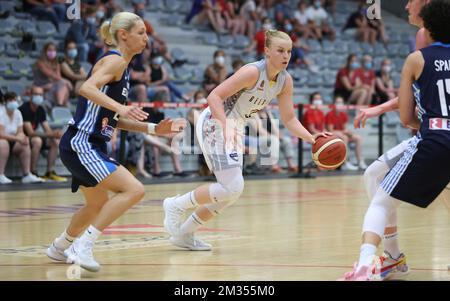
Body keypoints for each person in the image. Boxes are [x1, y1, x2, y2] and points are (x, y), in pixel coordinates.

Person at [162, 29, 329, 251]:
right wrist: (225, 126)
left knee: (231, 192)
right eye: (280, 50)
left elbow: (289, 119)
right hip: (215, 121)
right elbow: (214, 96)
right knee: (233, 186)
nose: (286, 56)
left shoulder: (284, 81)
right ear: (267, 51)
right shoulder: (252, 72)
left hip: (236, 127)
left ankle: (184, 234)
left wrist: (311, 137)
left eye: (289, 51)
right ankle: (175, 205)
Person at [45, 12, 187, 272]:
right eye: (141, 32)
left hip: (87, 143)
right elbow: (85, 88)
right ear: (124, 35)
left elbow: (112, 118)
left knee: (96, 205)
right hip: (82, 142)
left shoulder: (123, 68)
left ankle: (59, 247)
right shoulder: (115, 61)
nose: (147, 38)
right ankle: (83, 246)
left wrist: (155, 128)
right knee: (135, 190)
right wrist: (120, 108)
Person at [340, 0, 450, 280]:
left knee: (380, 195)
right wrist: (379, 108)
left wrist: (426, 124)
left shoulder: (422, 47)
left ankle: (372, 262)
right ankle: (392, 257)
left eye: (411, 1)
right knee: (374, 174)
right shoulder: (424, 38)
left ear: (427, 6)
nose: (405, 6)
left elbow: (412, 103)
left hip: (434, 136)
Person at [19, 86, 67, 182]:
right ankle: (32, 172)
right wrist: (51, 134)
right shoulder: (24, 108)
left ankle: (50, 172)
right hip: (22, 137)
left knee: (55, 142)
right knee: (37, 141)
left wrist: (55, 134)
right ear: (31, 95)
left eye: (41, 95)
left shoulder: (40, 109)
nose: (39, 97)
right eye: (36, 94)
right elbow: (30, 133)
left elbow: (47, 130)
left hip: (33, 137)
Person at [0, 92, 44, 184]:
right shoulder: (1, 112)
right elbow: (1, 134)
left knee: (25, 143)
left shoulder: (18, 113)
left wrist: (23, 138)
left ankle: (26, 175)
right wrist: (17, 139)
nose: (13, 102)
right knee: (3, 143)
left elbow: (20, 132)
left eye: (15, 100)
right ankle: (1, 175)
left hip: (12, 140)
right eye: (11, 100)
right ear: (5, 102)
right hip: (3, 140)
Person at [325, 96, 366, 170]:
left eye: (341, 102)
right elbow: (330, 130)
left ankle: (360, 161)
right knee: (344, 137)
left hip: (341, 134)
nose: (339, 104)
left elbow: (344, 128)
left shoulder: (343, 115)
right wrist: (344, 132)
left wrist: (349, 132)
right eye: (338, 102)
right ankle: (345, 162)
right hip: (333, 135)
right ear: (334, 104)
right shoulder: (330, 114)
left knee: (358, 138)